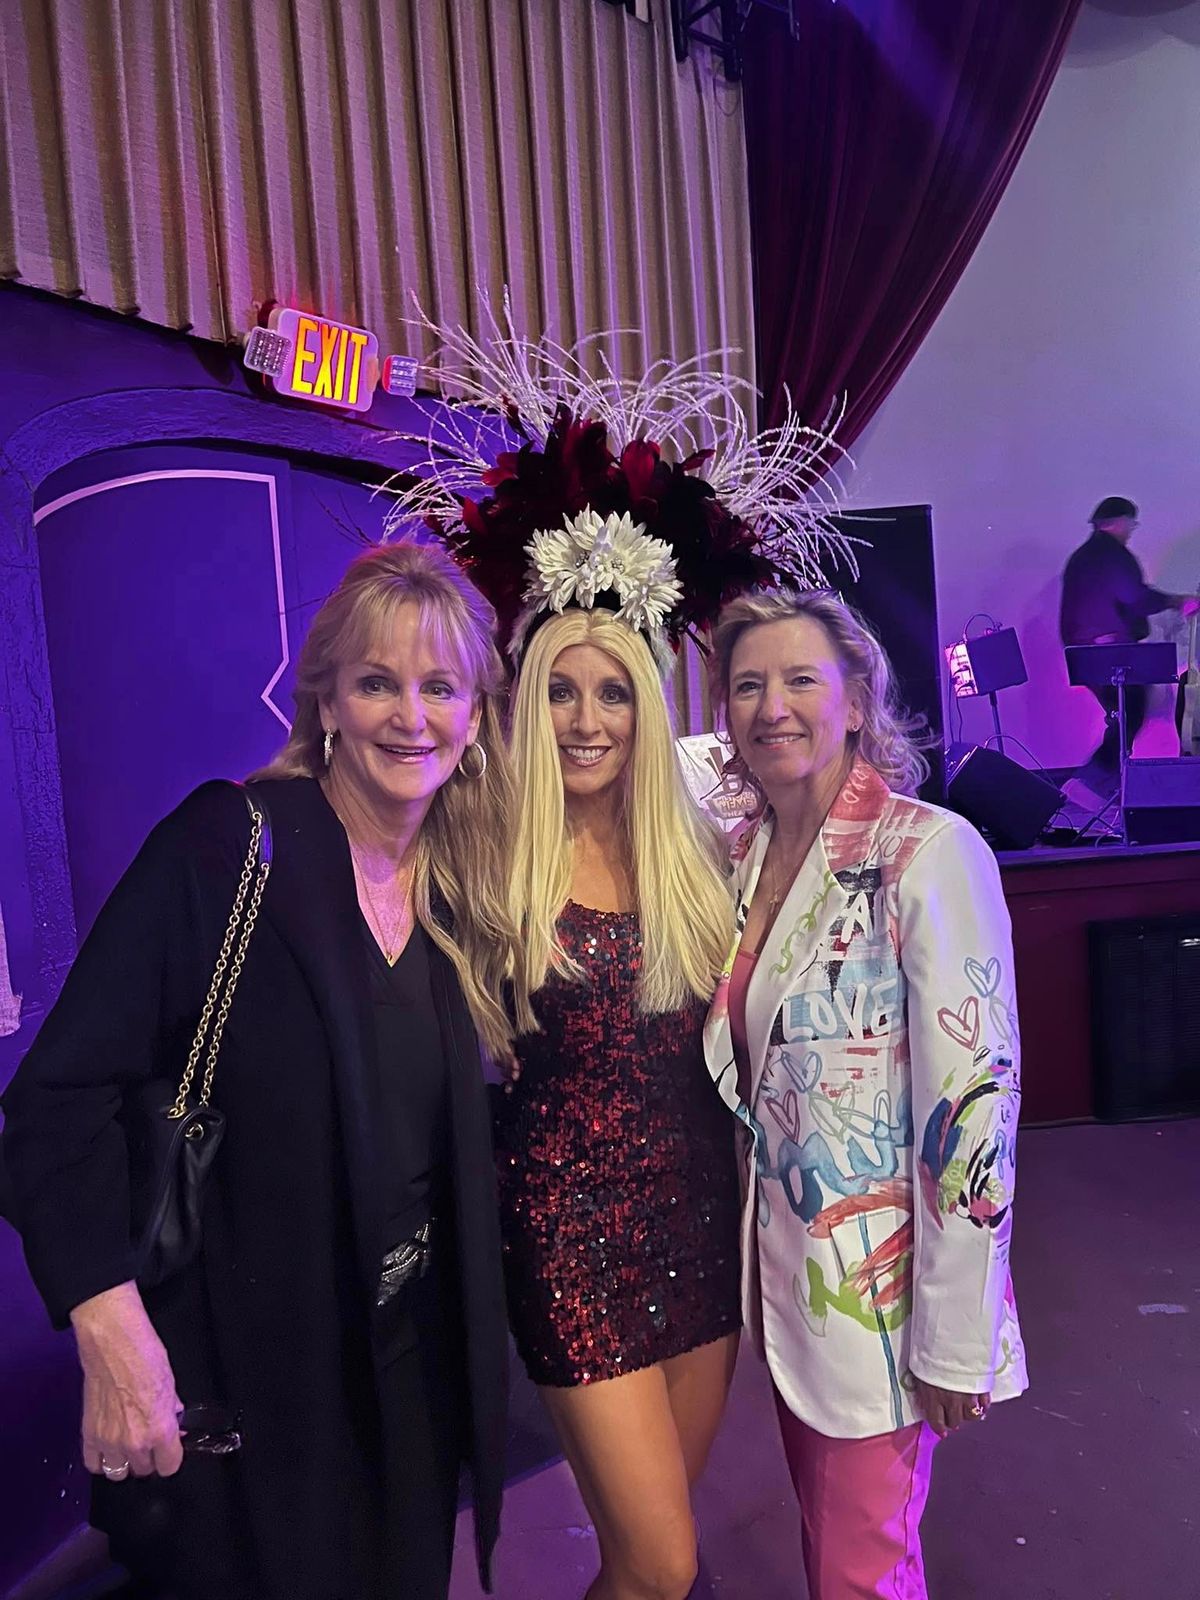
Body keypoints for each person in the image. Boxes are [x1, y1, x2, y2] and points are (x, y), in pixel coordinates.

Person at [1, 541, 521, 1600]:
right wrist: (109, 1327)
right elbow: (55, 1102)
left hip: (408, 1378)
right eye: (375, 683)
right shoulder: (229, 847)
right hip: (252, 1385)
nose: (410, 717)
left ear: (474, 719)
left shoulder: (464, 895)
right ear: (325, 701)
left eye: (439, 688)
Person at [704, 587, 1028, 1600]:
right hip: (790, 1286)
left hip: (881, 1301)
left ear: (856, 700)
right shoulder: (743, 857)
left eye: (801, 679)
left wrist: (957, 1340)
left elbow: (976, 1106)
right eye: (747, 685)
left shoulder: (927, 851)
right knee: (836, 1550)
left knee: (860, 1569)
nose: (772, 707)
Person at [494, 604, 741, 1600]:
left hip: (700, 1222)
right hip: (570, 1242)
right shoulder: (489, 859)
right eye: (559, 692)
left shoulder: (700, 852)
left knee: (648, 1558)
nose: (586, 720)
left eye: (612, 693)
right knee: (663, 1563)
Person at [1059, 495, 1198, 784]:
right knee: (1130, 712)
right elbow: (1135, 598)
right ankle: (1090, 784)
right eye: (1131, 523)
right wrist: (1176, 601)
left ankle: (1110, 783)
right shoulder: (1113, 556)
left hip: (1084, 654)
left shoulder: (1082, 557)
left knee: (1122, 716)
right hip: (1110, 653)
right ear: (1119, 522)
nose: (1132, 530)